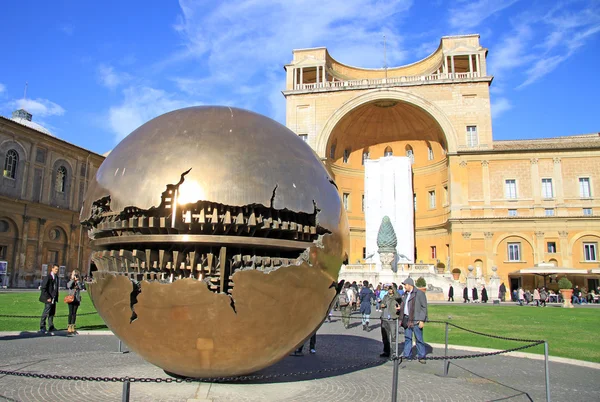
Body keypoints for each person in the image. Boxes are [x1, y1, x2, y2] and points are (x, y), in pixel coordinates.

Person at [398, 278, 428, 363]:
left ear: (410, 284)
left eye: (405, 285)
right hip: (407, 319)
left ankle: (421, 356)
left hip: (416, 319)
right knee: (408, 338)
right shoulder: (406, 294)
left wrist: (422, 320)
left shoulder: (419, 294)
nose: (404, 286)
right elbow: (405, 306)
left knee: (419, 338)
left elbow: (424, 307)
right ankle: (407, 355)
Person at [379, 286, 401, 358]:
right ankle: (386, 351)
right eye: (389, 289)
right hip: (384, 318)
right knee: (385, 337)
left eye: (391, 289)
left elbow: (398, 297)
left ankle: (394, 352)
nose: (390, 290)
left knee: (393, 337)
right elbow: (381, 304)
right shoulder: (386, 297)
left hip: (392, 319)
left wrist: (394, 288)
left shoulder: (396, 297)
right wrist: (381, 305)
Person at [39, 265, 60, 335]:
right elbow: (43, 288)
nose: (56, 271)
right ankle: (42, 326)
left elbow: (56, 288)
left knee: (52, 313)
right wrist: (48, 297)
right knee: (46, 312)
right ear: (52, 269)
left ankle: (51, 326)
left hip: (53, 298)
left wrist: (56, 297)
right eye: (55, 269)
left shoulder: (56, 277)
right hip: (48, 298)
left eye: (57, 269)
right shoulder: (48, 277)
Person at [66, 270, 84, 334]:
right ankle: (69, 326)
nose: (75, 275)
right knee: (70, 313)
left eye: (76, 274)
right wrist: (73, 280)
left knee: (74, 313)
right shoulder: (70, 280)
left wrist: (78, 281)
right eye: (74, 274)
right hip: (71, 299)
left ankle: (73, 326)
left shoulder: (79, 281)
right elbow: (68, 286)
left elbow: (81, 287)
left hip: (76, 299)